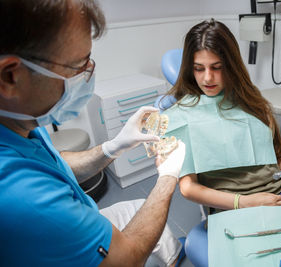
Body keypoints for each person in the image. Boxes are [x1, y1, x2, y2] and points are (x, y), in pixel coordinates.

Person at [0, 1, 186, 266]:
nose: (88, 75)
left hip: (78, 215)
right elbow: (125, 260)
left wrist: (114, 147)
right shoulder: (18, 194)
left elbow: (56, 166)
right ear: (10, 77)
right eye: (78, 66)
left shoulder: (18, 122)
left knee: (137, 209)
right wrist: (168, 178)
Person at [161, 19, 281, 266]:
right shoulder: (181, 116)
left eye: (217, 67)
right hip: (238, 207)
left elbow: (276, 153)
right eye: (199, 68)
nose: (208, 77)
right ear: (189, 68)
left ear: (231, 65)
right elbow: (188, 188)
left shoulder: (251, 99)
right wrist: (246, 202)